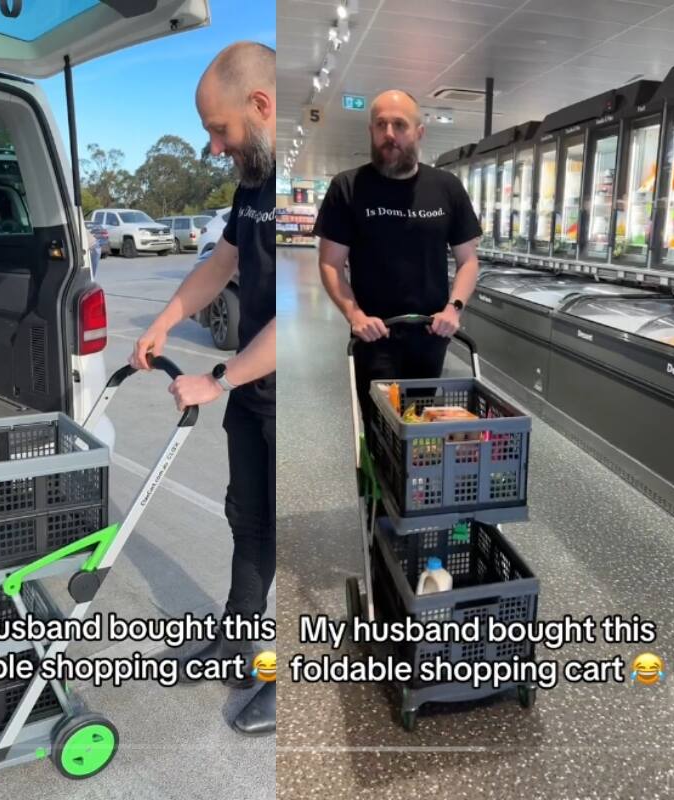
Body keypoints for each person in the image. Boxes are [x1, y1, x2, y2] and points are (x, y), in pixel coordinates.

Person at [131, 41, 276, 736]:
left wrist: (218, 377)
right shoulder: (253, 186)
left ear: (261, 105)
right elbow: (222, 264)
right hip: (256, 399)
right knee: (248, 524)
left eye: (219, 129)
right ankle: (236, 640)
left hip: (303, 406)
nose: (213, 146)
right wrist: (165, 318)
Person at [313, 89, 481, 445]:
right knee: (380, 434)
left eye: (399, 125)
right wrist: (354, 314)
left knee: (421, 433)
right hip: (374, 336)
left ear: (419, 132)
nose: (389, 133)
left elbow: (468, 261)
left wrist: (454, 308)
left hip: (431, 335)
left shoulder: (446, 188)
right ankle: (379, 499)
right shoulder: (348, 187)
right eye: (381, 125)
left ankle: (415, 494)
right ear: (371, 131)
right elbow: (330, 263)